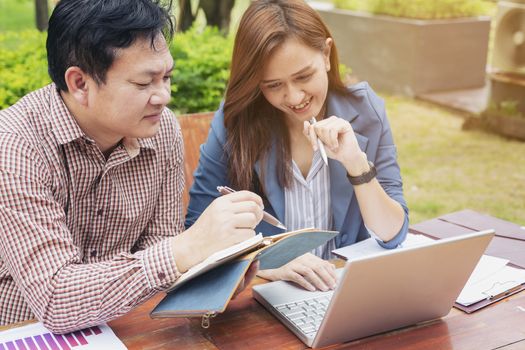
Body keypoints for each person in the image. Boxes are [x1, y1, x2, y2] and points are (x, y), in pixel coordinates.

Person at [0, 0, 263, 332]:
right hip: (23, 332)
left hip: (122, 327)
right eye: (144, 83)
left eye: (166, 76)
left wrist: (215, 274)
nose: (163, 96)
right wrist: (187, 247)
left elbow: (160, 254)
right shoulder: (14, 146)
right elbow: (55, 298)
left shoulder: (162, 130)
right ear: (80, 84)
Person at [185, 0, 409, 293]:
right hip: (268, 298)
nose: (294, 97)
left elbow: (392, 234)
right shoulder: (234, 124)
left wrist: (356, 164)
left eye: (303, 77)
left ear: (326, 55)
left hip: (344, 291)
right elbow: (195, 233)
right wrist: (266, 261)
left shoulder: (365, 110)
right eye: (273, 85)